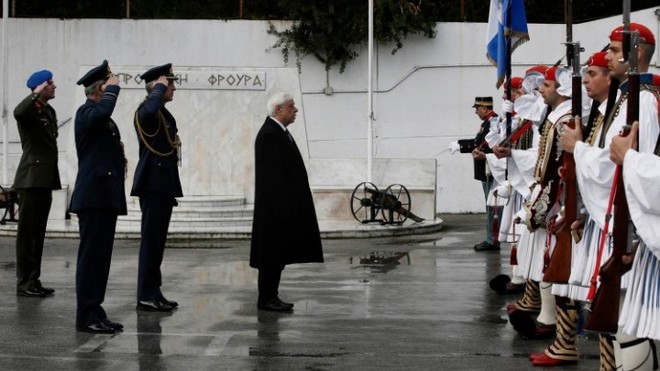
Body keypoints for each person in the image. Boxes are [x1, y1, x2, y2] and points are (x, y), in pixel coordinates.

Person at [250, 92, 323, 312]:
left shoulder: (278, 132)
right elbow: (273, 178)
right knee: (271, 256)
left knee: (276, 255)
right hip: (275, 210)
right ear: (278, 109)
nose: (296, 110)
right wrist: (283, 210)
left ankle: (271, 296)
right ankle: (266, 299)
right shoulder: (270, 134)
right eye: (291, 107)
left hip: (280, 208)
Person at [70, 60, 126, 334]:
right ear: (100, 88)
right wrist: (112, 93)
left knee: (101, 260)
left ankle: (96, 310)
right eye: (109, 83)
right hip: (93, 197)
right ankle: (85, 316)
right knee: (91, 259)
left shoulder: (100, 114)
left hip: (104, 197)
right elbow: (101, 115)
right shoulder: (87, 112)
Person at [131, 63, 183, 312]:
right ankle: (145, 294)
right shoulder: (147, 111)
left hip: (162, 183)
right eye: (170, 84)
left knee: (157, 242)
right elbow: (149, 108)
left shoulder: (161, 112)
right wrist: (159, 86)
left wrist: (160, 89)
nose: (173, 88)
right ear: (157, 88)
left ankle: (154, 290)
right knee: (151, 242)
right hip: (153, 183)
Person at [12, 70, 62, 298]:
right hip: (30, 179)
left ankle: (34, 279)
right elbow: (18, 112)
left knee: (38, 233)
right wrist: (35, 95)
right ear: (40, 87)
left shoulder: (48, 111)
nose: (54, 86)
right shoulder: (30, 110)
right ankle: (24, 282)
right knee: (27, 233)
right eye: (50, 83)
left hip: (44, 178)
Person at [467, 97, 501, 252]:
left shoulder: (494, 122)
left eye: (477, 108)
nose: (475, 112)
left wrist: (478, 150)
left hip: (490, 171)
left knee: (492, 208)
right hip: (485, 170)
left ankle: (492, 240)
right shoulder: (487, 122)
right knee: (490, 207)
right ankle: (491, 238)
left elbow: (488, 144)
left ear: (485, 109)